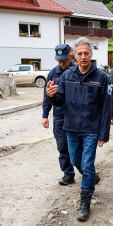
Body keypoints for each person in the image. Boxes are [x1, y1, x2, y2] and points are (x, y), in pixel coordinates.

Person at [46, 37, 111, 222]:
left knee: (87, 164)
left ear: (91, 54)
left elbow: (106, 107)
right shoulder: (67, 76)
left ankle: (85, 199)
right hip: (71, 128)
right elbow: (59, 101)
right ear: (75, 55)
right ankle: (90, 178)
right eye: (80, 53)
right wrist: (50, 97)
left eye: (86, 53)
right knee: (76, 160)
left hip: (91, 129)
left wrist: (103, 133)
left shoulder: (102, 78)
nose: (83, 57)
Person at [42, 44, 75, 186]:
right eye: (59, 61)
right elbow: (46, 95)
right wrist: (45, 115)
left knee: (78, 148)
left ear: (70, 56)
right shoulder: (53, 73)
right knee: (62, 147)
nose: (62, 64)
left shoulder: (77, 71)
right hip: (59, 116)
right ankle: (68, 174)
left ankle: (88, 171)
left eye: (64, 60)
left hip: (76, 116)